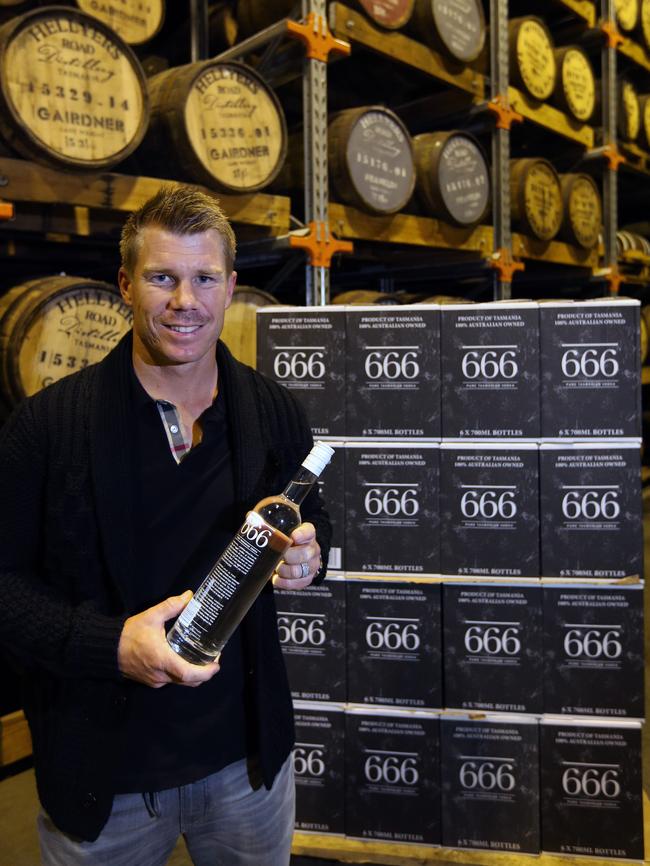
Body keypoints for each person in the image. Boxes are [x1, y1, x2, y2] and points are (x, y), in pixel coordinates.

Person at [0, 185, 331, 865]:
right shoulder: (46, 429)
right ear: (126, 284)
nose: (186, 301)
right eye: (162, 277)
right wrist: (110, 644)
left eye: (204, 277)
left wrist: (310, 553)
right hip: (107, 782)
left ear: (231, 286)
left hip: (245, 769)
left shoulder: (272, 412)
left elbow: (313, 517)